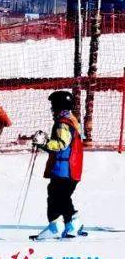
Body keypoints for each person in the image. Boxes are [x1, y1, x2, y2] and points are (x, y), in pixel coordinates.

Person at [31, 91, 85, 240]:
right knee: (63, 197)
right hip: (72, 168)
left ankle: (55, 227)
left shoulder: (63, 123)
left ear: (58, 105)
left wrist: (44, 143)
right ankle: (73, 223)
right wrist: (46, 142)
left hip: (64, 169)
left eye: (53, 105)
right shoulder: (72, 119)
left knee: (55, 197)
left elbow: (61, 144)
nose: (51, 109)